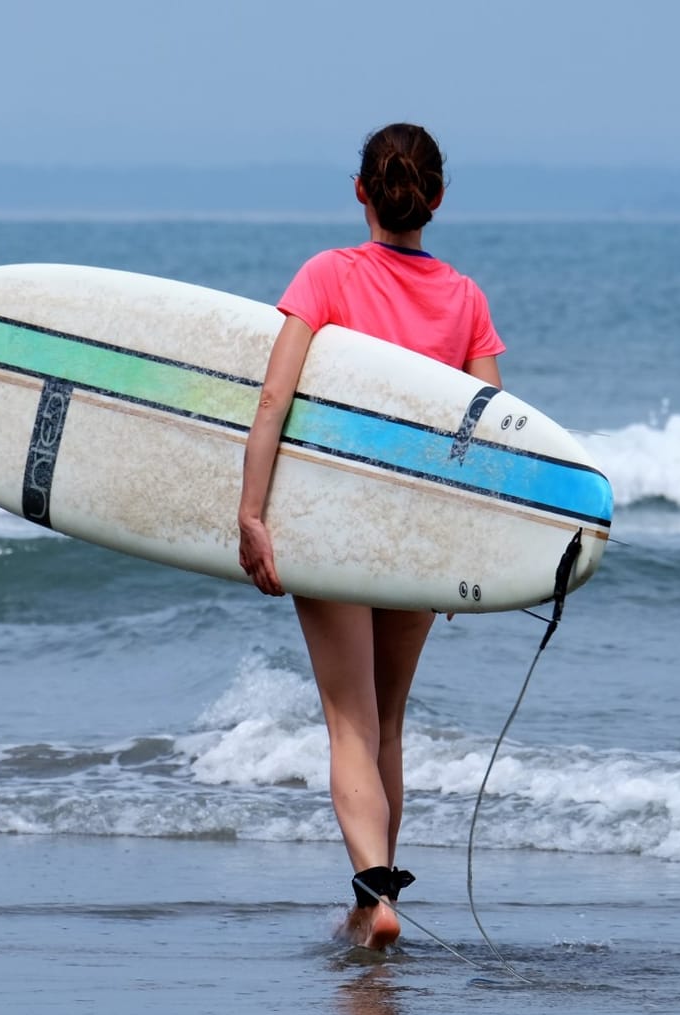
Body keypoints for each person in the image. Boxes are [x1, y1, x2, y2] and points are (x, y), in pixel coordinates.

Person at [237, 123, 504, 950]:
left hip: (333, 526)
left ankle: (375, 896)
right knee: (388, 724)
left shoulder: (326, 276)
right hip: (417, 539)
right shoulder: (465, 299)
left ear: (361, 192)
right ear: (438, 199)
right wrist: (473, 561)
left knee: (347, 723)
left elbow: (275, 401)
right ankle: (376, 894)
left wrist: (252, 513)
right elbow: (490, 439)